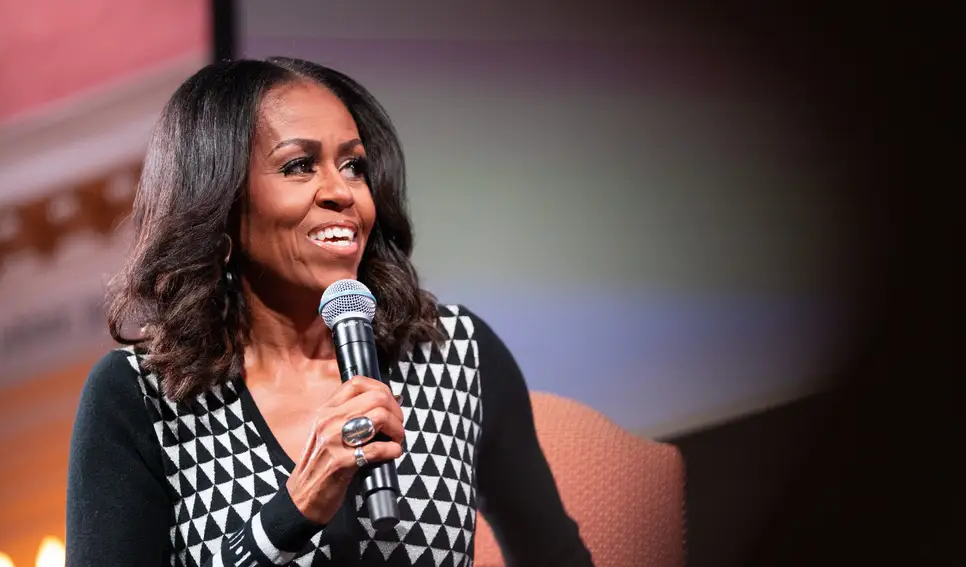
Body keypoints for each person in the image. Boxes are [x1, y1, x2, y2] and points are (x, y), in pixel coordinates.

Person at [65, 57, 594, 567]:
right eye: (299, 166)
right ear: (220, 204)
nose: (342, 192)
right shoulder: (144, 399)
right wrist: (291, 513)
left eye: (353, 166)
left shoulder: (452, 353)